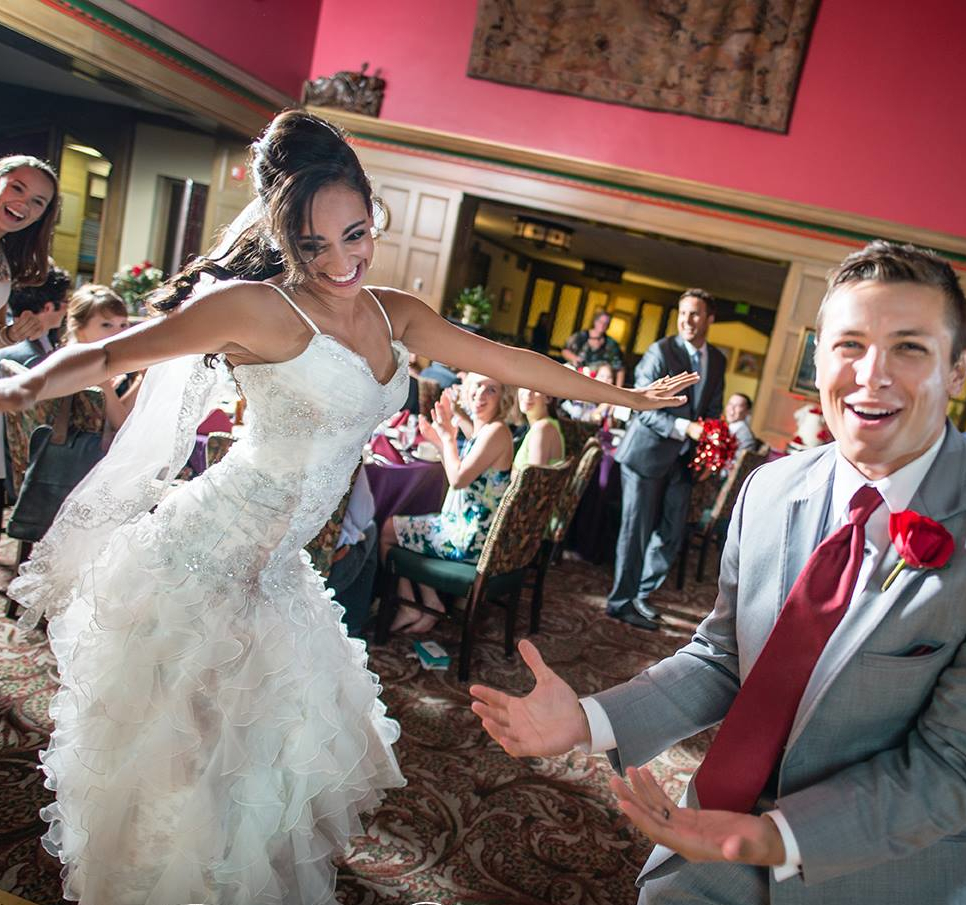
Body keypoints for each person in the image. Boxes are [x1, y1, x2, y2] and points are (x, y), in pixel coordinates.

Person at [0, 109, 695, 905]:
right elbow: (118, 349)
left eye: (354, 235)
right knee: (184, 764)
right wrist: (19, 384)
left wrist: (622, 394)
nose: (339, 262)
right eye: (312, 245)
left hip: (278, 574)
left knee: (259, 764)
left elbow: (504, 357)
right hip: (203, 558)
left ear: (374, 213)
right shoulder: (258, 308)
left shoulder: (396, 312)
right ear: (284, 237)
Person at [471, 241, 966, 905]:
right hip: (709, 836)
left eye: (910, 348)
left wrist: (771, 838)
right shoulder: (770, 489)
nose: (871, 375)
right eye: (850, 345)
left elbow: (965, 767)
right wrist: (588, 718)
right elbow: (724, 658)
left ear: (959, 370)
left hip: (891, 870)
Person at [607, 288, 726, 629]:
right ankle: (620, 602)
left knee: (673, 533)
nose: (687, 320)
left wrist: (707, 451)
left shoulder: (716, 360)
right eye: (683, 313)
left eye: (696, 314)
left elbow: (714, 410)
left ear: (710, 319)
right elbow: (641, 406)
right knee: (636, 532)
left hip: (685, 460)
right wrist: (683, 427)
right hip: (646, 454)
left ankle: (641, 593)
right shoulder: (661, 351)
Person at [381, 372, 515, 634]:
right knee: (404, 525)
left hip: (471, 540)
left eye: (492, 390)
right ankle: (430, 603)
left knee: (386, 530)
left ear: (504, 398)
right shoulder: (486, 430)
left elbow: (457, 479)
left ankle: (410, 605)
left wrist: (447, 439)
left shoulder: (497, 432)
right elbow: (459, 469)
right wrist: (440, 439)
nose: (480, 394)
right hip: (466, 529)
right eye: (477, 387)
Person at [0, 155, 60, 347]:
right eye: (17, 188)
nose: (24, 203)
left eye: (38, 202)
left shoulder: (5, 262)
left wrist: (13, 334)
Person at [63, 284, 140, 431]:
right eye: (106, 325)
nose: (119, 332)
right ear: (79, 328)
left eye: (123, 324)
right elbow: (121, 427)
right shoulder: (85, 364)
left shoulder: (102, 361)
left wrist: (140, 380)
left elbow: (116, 413)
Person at [326, 465, 379, 637]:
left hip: (259, 568)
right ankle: (351, 630)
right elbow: (364, 513)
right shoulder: (345, 450)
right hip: (320, 573)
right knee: (370, 528)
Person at [0, 263, 70, 366]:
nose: (68, 307)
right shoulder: (28, 356)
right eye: (66, 301)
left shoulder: (50, 339)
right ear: (48, 307)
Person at [562, 309, 625, 385]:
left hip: (599, 382)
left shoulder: (611, 344)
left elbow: (620, 368)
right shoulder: (581, 336)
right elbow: (565, 350)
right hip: (577, 376)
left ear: (608, 326)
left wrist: (618, 390)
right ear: (595, 321)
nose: (602, 325)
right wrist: (574, 358)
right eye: (600, 321)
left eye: (606, 323)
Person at [515, 386, 565, 469]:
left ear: (548, 398)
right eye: (524, 386)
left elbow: (533, 478)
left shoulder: (542, 429)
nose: (528, 393)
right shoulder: (540, 426)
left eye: (536, 389)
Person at [723, 392, 756, 457]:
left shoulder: (746, 438)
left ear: (747, 411)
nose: (731, 409)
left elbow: (737, 465)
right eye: (730, 404)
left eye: (738, 406)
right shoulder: (723, 427)